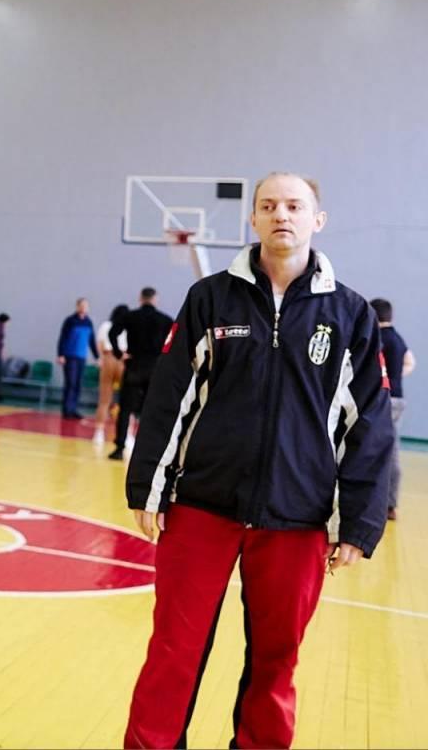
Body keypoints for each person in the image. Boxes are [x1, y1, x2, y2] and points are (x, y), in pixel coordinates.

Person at [122, 173, 392, 749]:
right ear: (253, 219)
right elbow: (171, 395)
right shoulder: (211, 297)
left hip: (297, 519)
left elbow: (367, 425)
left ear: (318, 219)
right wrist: (149, 484)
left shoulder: (350, 315)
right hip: (201, 509)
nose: (281, 215)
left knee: (276, 662)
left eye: (295, 206)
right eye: (268, 205)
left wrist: (361, 521)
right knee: (173, 650)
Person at [107, 289, 172, 460]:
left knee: (125, 409)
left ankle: (120, 447)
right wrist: (165, 359)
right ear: (155, 300)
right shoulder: (165, 320)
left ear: (141, 299)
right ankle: (148, 449)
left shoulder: (131, 316)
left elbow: (112, 332)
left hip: (134, 366)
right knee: (150, 410)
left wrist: (119, 353)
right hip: (154, 369)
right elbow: (175, 340)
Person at [371, 297, 415, 520]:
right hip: (398, 398)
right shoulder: (398, 339)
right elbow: (410, 361)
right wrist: (396, 376)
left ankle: (373, 503)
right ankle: (390, 504)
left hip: (382, 399)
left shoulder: (376, 337)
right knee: (393, 450)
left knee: (372, 449)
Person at [56, 298, 97, 419]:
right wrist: (61, 354)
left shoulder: (89, 322)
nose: (84, 308)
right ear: (77, 306)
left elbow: (91, 340)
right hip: (70, 356)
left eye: (86, 305)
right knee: (71, 383)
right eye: (82, 305)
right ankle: (66, 410)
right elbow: (62, 338)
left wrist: (97, 356)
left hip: (81, 357)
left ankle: (73, 409)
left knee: (78, 384)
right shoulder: (70, 321)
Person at [94, 304, 129, 445]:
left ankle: (99, 433)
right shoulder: (127, 327)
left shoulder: (106, 325)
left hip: (108, 358)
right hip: (122, 360)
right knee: (127, 401)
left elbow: (100, 345)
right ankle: (127, 434)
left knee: (104, 400)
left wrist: (101, 358)